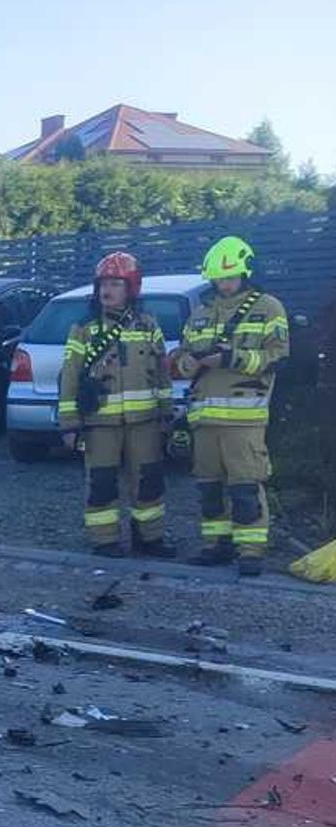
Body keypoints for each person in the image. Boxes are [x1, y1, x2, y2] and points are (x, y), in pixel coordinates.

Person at [170, 236, 289, 577]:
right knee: (208, 488)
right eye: (219, 279)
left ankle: (250, 552)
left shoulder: (268, 307)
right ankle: (215, 546)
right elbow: (181, 355)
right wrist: (186, 363)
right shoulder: (201, 313)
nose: (224, 284)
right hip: (204, 418)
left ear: (245, 273)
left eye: (230, 277)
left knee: (245, 487)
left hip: (244, 418)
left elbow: (277, 357)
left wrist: (231, 357)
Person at [57, 252, 175, 559]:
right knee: (102, 483)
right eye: (102, 284)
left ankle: (150, 538)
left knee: (148, 482)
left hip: (145, 422)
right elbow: (69, 378)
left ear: (131, 287)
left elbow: (162, 372)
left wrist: (166, 414)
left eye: (114, 284)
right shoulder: (84, 329)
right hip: (100, 425)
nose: (106, 291)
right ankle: (105, 540)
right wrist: (69, 424)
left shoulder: (149, 325)